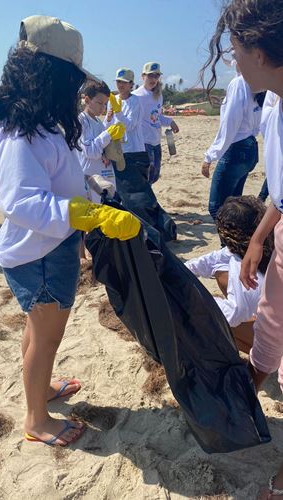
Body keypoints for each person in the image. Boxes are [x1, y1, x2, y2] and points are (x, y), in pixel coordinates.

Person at [0, 15, 140, 447]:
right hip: (37, 254)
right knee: (47, 336)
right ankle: (37, 419)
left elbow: (63, 174)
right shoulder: (21, 129)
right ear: (47, 74)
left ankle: (42, 390)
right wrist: (89, 216)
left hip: (51, 245)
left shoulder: (40, 119)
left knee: (38, 333)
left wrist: (90, 197)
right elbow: (19, 202)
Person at [202, 0, 283, 497]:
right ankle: (252, 381)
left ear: (260, 48)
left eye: (235, 50)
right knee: (271, 318)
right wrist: (258, 239)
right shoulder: (271, 99)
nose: (232, 61)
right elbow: (280, 186)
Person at [185, 196, 273, 337]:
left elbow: (233, 315)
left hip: (276, 334)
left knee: (220, 324)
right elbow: (201, 263)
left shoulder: (244, 267)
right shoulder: (268, 243)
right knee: (220, 268)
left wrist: (198, 300)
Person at [201, 73, 263, 220]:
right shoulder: (258, 82)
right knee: (235, 205)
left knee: (219, 208)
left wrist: (210, 155)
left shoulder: (239, 83)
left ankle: (230, 242)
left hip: (237, 149)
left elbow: (230, 125)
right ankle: (236, 241)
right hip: (250, 147)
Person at [77, 81, 125, 203]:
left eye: (105, 104)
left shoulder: (98, 122)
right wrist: (108, 134)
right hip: (91, 179)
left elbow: (104, 147)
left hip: (105, 176)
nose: (103, 108)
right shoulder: (82, 121)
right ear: (87, 100)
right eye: (100, 103)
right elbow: (90, 151)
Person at [132, 62, 179, 184]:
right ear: (143, 76)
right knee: (144, 178)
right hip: (143, 143)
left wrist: (170, 122)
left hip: (156, 142)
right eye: (150, 76)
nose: (153, 79)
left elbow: (157, 116)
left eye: (156, 76)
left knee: (154, 177)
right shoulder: (136, 96)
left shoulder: (158, 95)